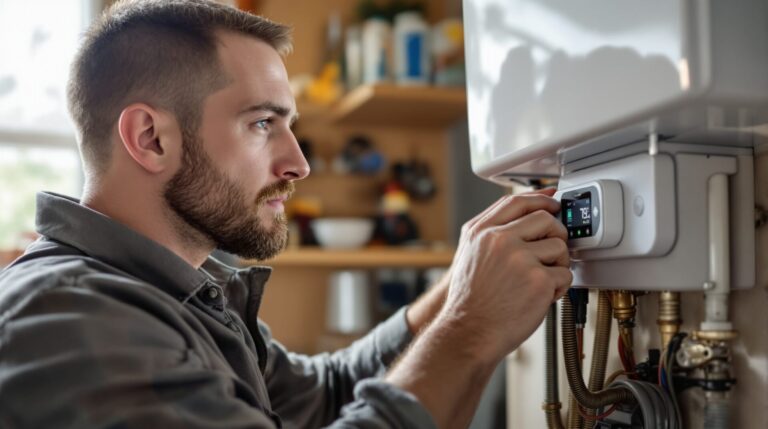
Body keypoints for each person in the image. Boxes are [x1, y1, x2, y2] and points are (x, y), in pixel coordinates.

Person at [0, 1, 572, 428]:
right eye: (261, 124)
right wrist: (469, 331)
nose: (297, 163)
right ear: (150, 138)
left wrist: (461, 286)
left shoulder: (180, 295)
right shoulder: (70, 316)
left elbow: (326, 395)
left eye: (289, 125)